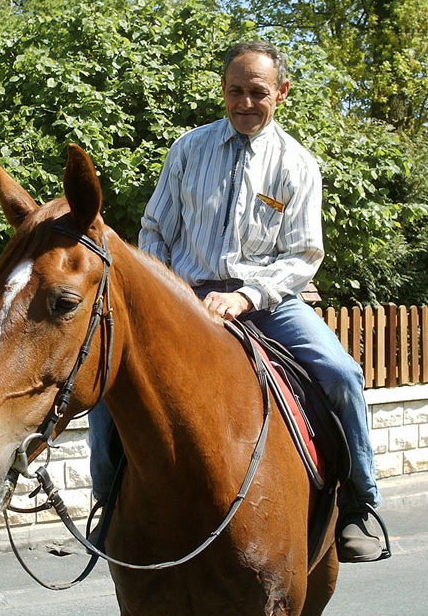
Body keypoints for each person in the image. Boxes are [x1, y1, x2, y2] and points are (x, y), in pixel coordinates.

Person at [88, 40, 385, 562]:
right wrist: (167, 292)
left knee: (341, 374)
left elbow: (302, 256)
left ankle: (360, 505)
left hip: (269, 304)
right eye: (235, 91)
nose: (245, 102)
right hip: (185, 299)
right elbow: (155, 229)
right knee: (109, 388)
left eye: (257, 92)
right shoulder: (188, 150)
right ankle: (109, 502)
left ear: (282, 94)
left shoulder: (298, 165)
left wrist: (246, 297)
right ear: (222, 91)